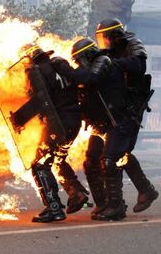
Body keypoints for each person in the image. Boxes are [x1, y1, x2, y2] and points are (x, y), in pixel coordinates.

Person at [54, 37, 132, 220]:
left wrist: (65, 68)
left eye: (80, 59)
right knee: (90, 162)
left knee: (109, 161)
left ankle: (116, 207)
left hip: (116, 122)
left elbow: (91, 79)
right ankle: (102, 203)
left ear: (88, 54)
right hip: (100, 124)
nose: (79, 64)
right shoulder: (88, 68)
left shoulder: (103, 61)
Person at [14, 45, 88, 222]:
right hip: (74, 121)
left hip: (58, 124)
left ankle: (53, 208)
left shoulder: (35, 71)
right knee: (57, 159)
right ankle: (76, 193)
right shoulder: (61, 66)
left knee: (39, 164)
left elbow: (40, 99)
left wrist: (18, 119)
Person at [94, 19, 158, 213]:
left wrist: (113, 63)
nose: (103, 42)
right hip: (116, 109)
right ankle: (146, 190)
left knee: (111, 157)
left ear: (114, 35)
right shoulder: (110, 52)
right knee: (119, 153)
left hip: (131, 109)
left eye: (105, 37)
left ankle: (116, 205)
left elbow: (137, 65)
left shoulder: (133, 44)